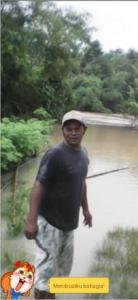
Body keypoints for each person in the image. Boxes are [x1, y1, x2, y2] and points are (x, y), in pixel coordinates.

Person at [24, 110, 92, 299]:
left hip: (69, 224)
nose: (73, 133)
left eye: (77, 129)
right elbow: (38, 185)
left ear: (84, 130)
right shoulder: (54, 154)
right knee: (45, 269)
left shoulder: (84, 154)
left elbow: (82, 182)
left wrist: (86, 209)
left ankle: (50, 296)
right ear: (62, 131)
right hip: (49, 222)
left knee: (61, 269)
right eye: (68, 129)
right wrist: (31, 220)